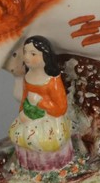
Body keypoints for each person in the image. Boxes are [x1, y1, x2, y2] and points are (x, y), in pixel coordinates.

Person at [8, 36, 73, 171]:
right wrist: (22, 113)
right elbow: (25, 99)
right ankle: (29, 166)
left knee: (42, 140)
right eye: (25, 52)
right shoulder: (27, 76)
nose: (26, 57)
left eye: (33, 54)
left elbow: (60, 108)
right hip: (30, 116)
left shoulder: (52, 80)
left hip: (49, 119)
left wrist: (40, 102)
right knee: (20, 134)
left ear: (45, 57)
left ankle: (50, 167)